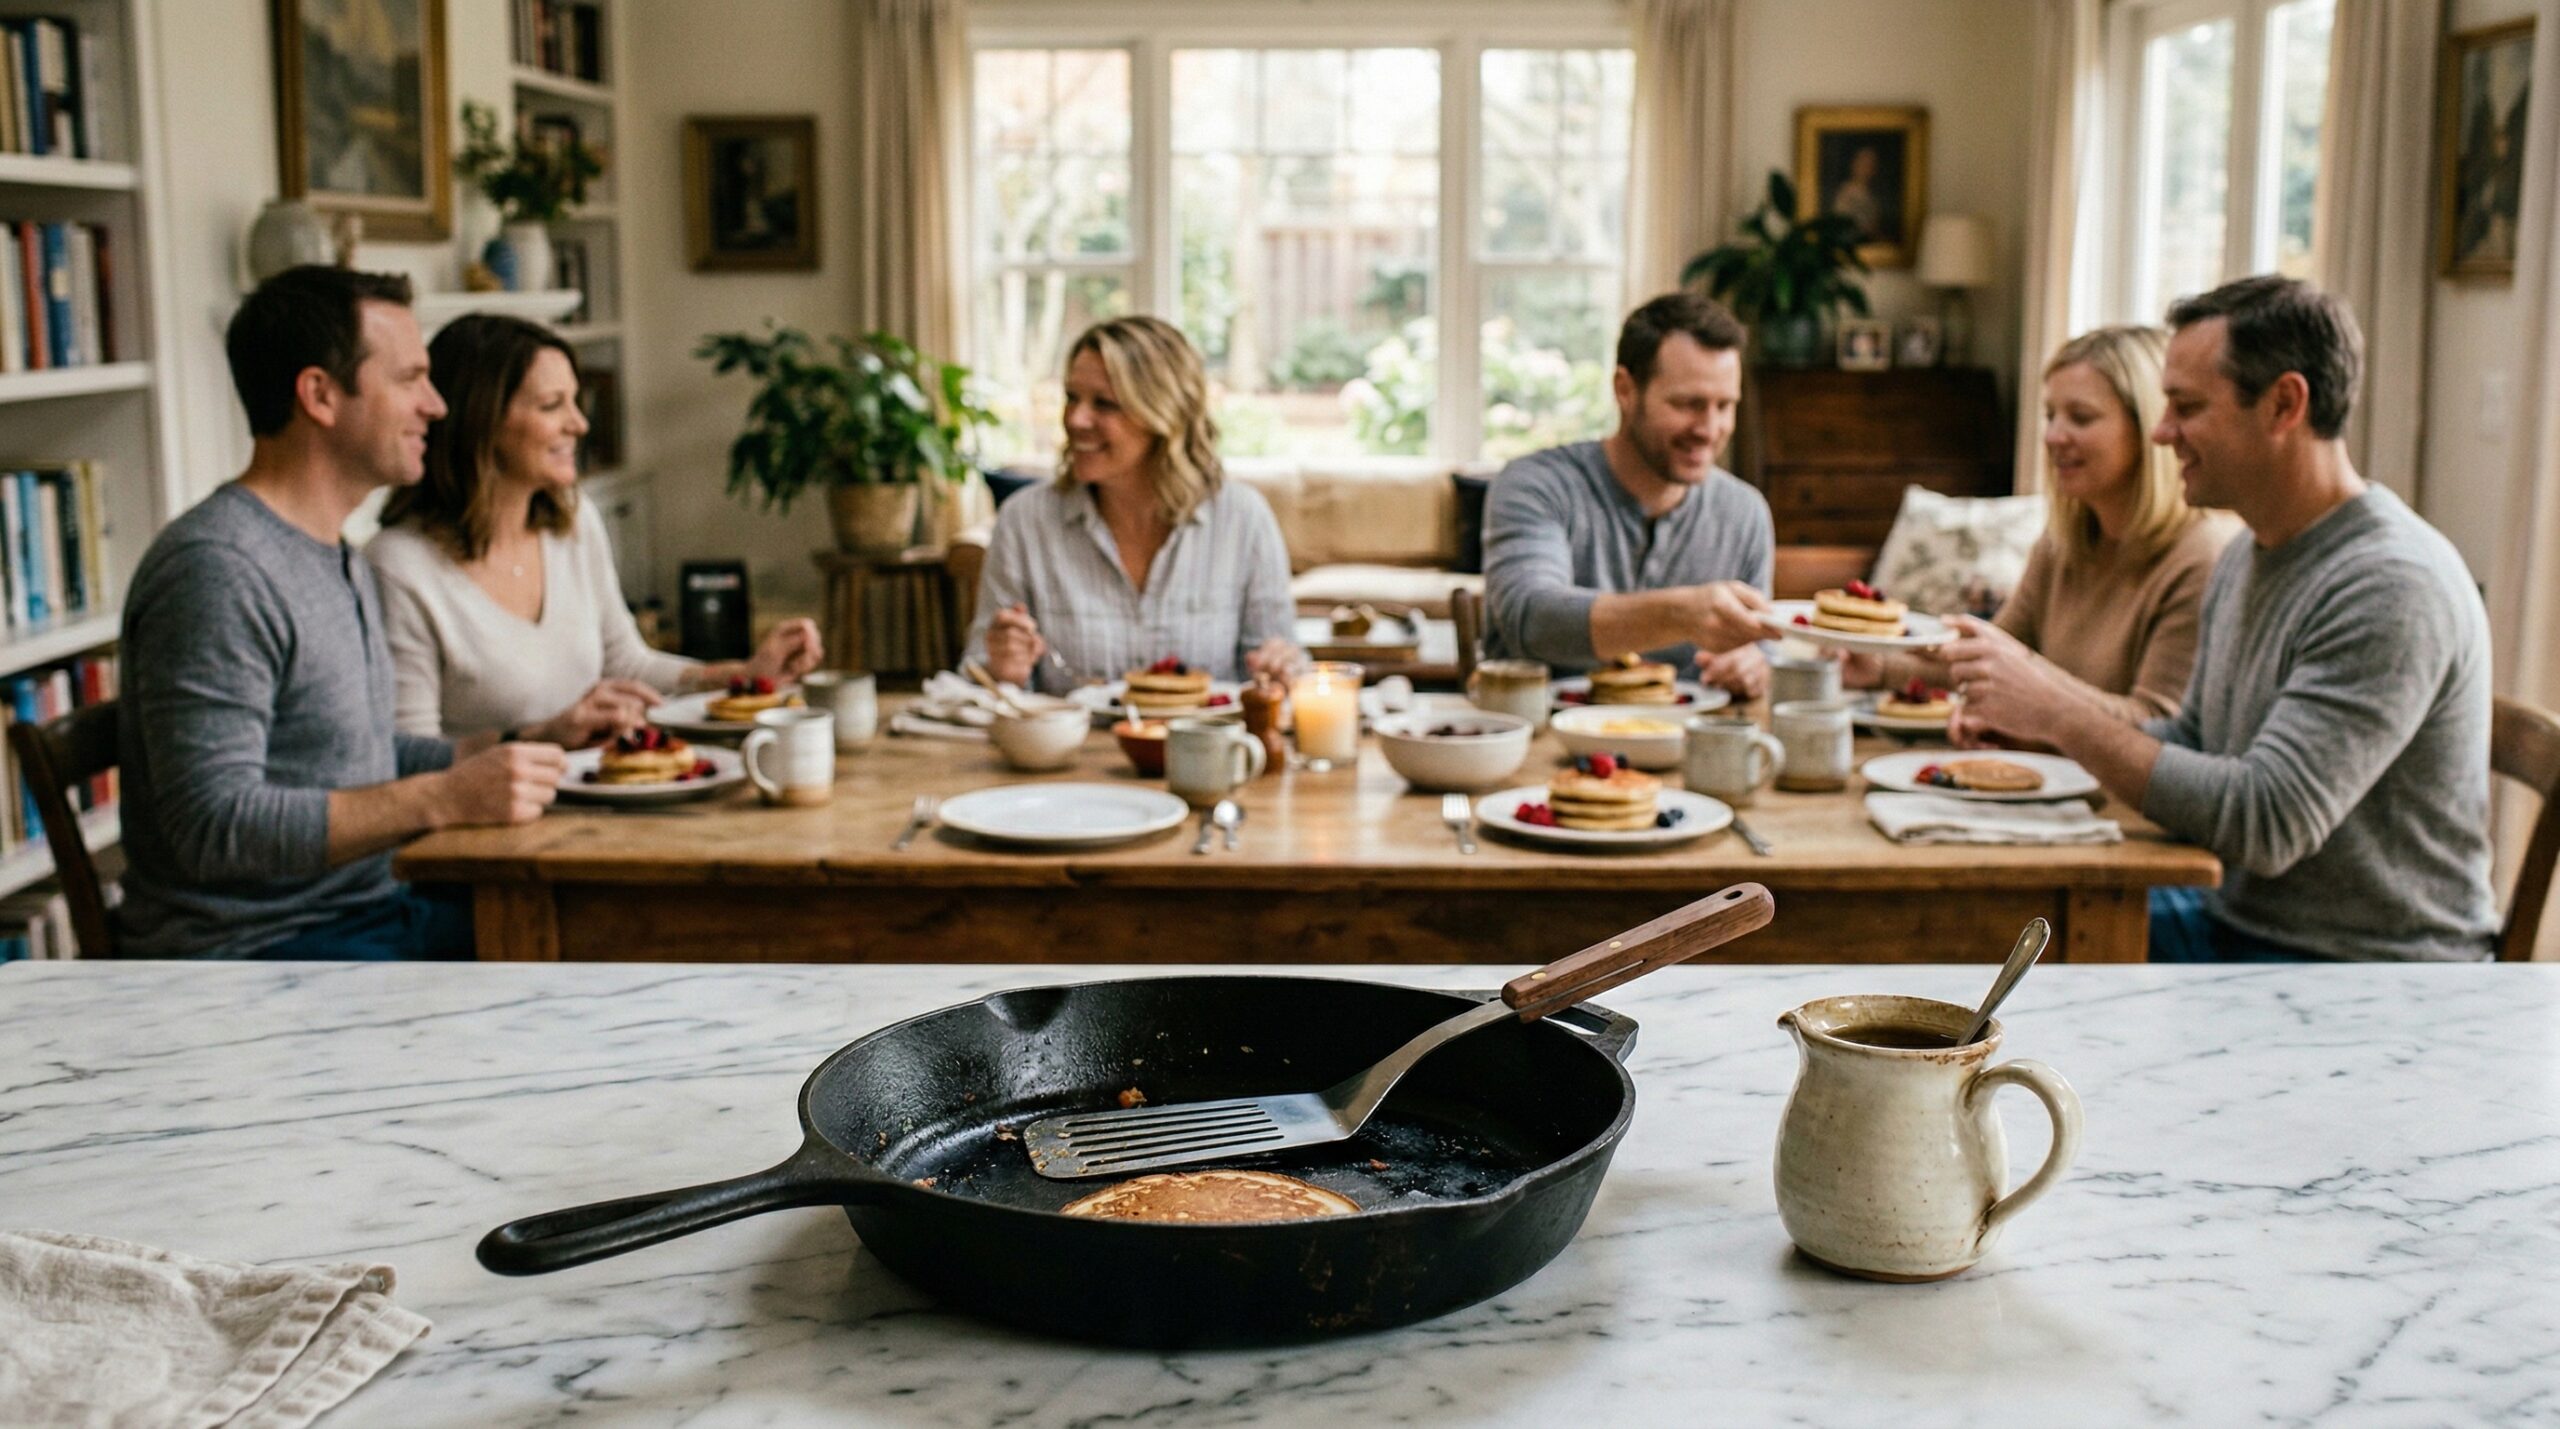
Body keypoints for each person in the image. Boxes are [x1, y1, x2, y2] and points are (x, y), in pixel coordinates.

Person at [1948, 276, 2498, 963]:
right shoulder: (2249, 552)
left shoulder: (2391, 583)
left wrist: (2058, 712)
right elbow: (2194, 740)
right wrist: (2033, 725)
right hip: (2240, 924)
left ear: (2284, 404)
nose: (2161, 430)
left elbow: (2266, 822)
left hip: (2363, 969)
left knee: (1989, 952)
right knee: (1969, 927)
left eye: (2186, 406)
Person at [116, 268, 588, 960]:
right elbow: (211, 822)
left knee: (617, 936)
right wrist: (443, 798)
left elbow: (350, 757)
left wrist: (519, 741)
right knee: (593, 972)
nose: (435, 405)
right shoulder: (217, 571)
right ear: (320, 395)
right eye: (409, 379)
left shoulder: (333, 551)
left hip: (373, 911)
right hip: (257, 953)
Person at [370, 314, 821, 741]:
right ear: (480, 421)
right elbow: (408, 760)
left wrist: (745, 674)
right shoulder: (399, 567)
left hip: (590, 806)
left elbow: (626, 663)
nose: (580, 424)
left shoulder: (573, 522)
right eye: (552, 406)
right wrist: (543, 736)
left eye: (575, 401)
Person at [1853, 326, 2241, 724]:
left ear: (2148, 428)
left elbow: (2156, 729)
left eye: (2081, 417)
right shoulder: (2063, 543)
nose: (2054, 436)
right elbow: (1986, 664)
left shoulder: (2202, 559)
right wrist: (1877, 669)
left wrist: (2028, 678)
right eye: (2050, 415)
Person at [965, 316, 1296, 691]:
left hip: (1199, 749)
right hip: (1070, 750)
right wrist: (1002, 672)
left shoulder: (1243, 519)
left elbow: (1276, 667)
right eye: (1072, 397)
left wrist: (1279, 668)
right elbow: (980, 679)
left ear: (1164, 416)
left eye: (1104, 404)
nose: (1076, 419)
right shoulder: (1024, 521)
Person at [1481, 292, 1773, 697]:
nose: (1709, 429)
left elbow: (1758, 653)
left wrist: (1752, 667)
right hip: (1543, 747)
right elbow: (1532, 620)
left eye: (1725, 406)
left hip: (1683, 750)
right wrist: (1682, 614)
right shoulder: (1536, 485)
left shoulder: (1745, 513)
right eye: (1688, 404)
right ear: (1625, 389)